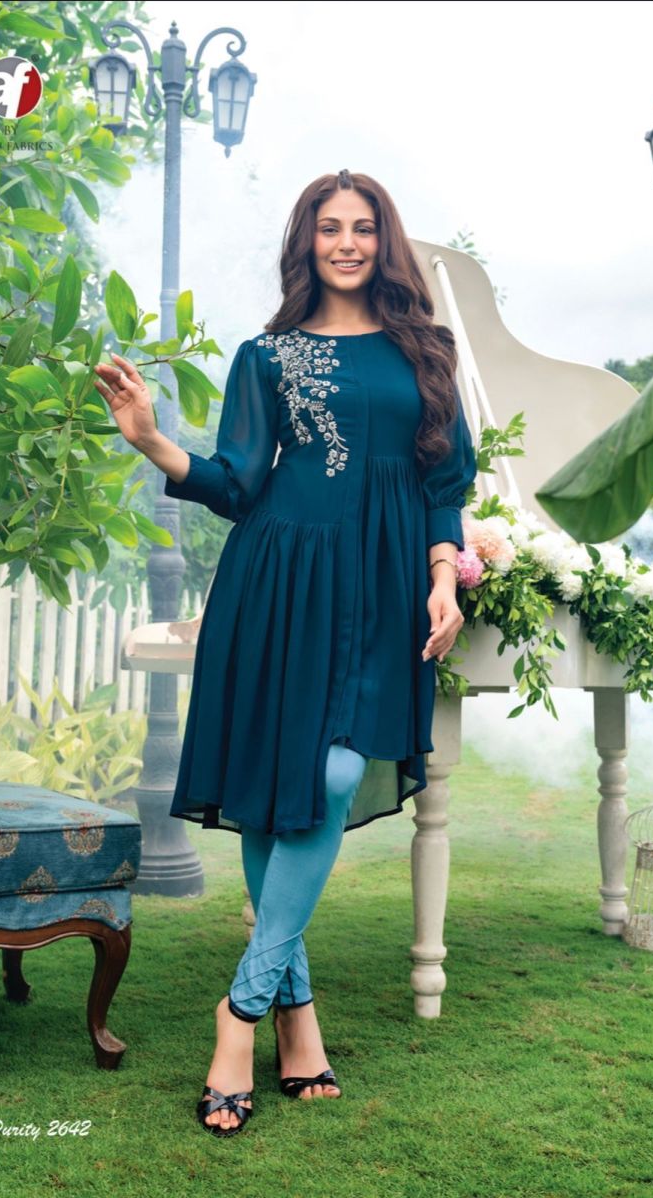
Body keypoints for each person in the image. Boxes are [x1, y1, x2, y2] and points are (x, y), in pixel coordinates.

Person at [93, 169, 478, 1137]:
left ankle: (241, 1010)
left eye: (362, 227)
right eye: (327, 227)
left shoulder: (424, 350)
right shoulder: (265, 356)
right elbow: (234, 482)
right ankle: (295, 1019)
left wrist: (442, 578)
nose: (345, 243)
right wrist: (151, 442)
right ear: (305, 241)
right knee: (276, 798)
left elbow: (443, 479)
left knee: (336, 772)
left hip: (384, 589)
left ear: (383, 241)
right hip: (279, 583)